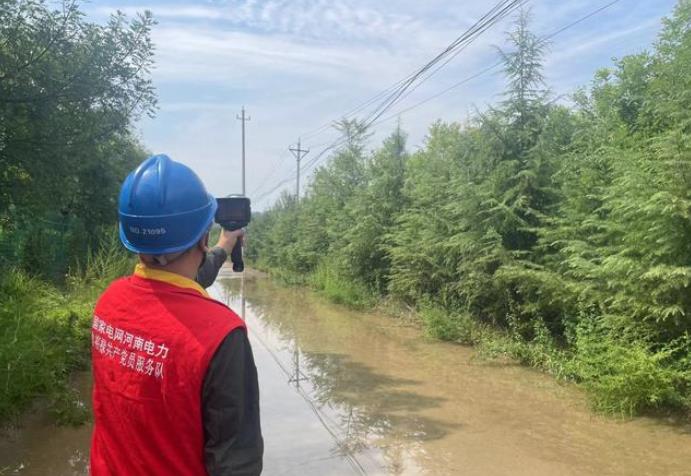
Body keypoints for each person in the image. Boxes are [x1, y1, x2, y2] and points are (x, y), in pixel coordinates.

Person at [90, 154, 263, 475]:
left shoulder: (108, 302)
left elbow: (178, 283)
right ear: (202, 237)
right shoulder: (222, 337)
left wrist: (225, 246)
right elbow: (237, 464)